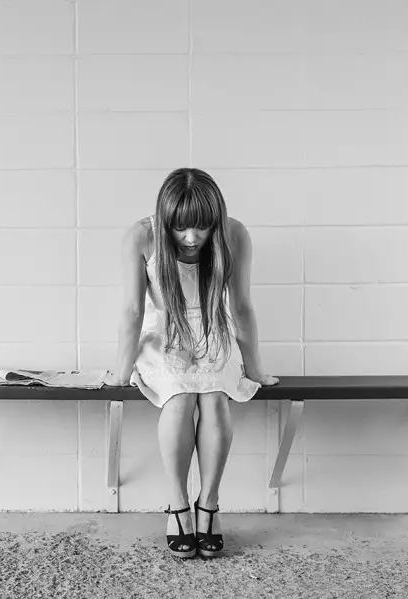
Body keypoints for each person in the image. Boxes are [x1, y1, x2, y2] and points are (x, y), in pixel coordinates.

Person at [103, 167, 279, 559]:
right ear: (165, 220)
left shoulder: (234, 234)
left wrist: (255, 369)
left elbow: (243, 306)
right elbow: (132, 311)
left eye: (201, 227)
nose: (191, 238)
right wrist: (121, 369)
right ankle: (178, 505)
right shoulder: (141, 237)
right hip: (163, 335)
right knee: (180, 397)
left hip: (214, 331)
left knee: (215, 397)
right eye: (181, 228)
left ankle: (209, 505)